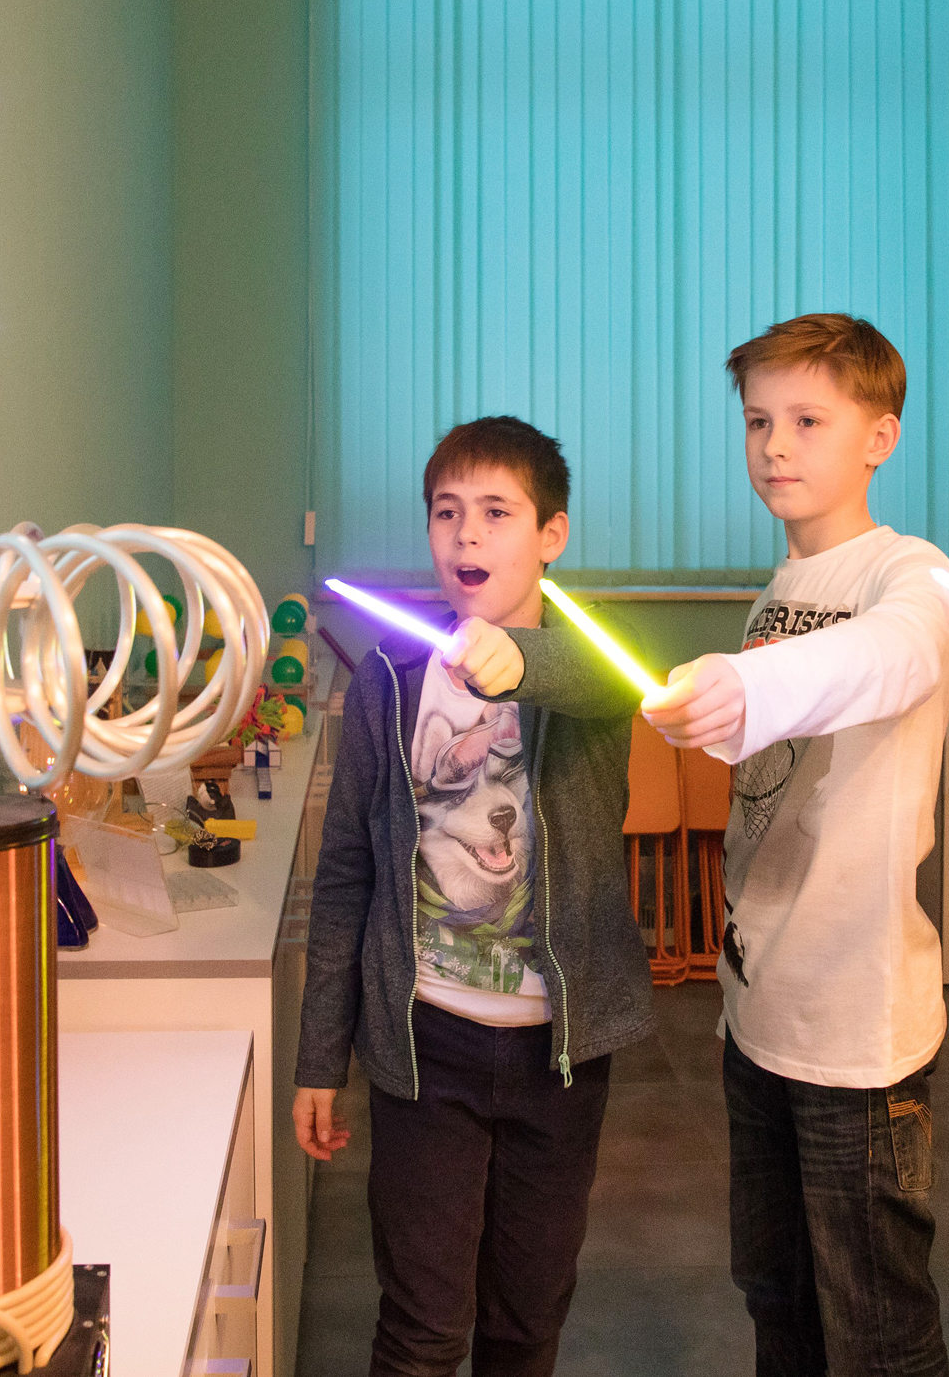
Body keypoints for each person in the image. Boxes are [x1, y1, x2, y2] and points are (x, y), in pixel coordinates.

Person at [293, 415, 655, 1377]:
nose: (467, 534)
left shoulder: (593, 655)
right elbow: (346, 872)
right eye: (447, 512)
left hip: (558, 1055)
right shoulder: (391, 675)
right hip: (425, 1047)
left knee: (525, 1324)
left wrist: (519, 661)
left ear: (552, 534)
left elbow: (612, 677)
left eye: (497, 512)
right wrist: (320, 1057)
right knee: (420, 1328)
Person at [644, 313, 949, 1377]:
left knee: (875, 1327)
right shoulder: (778, 592)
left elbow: (894, 653)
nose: (774, 445)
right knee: (775, 1298)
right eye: (757, 421)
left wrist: (743, 687)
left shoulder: (906, 572)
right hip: (759, 1014)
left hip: (856, 1034)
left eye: (807, 420)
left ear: (880, 437)